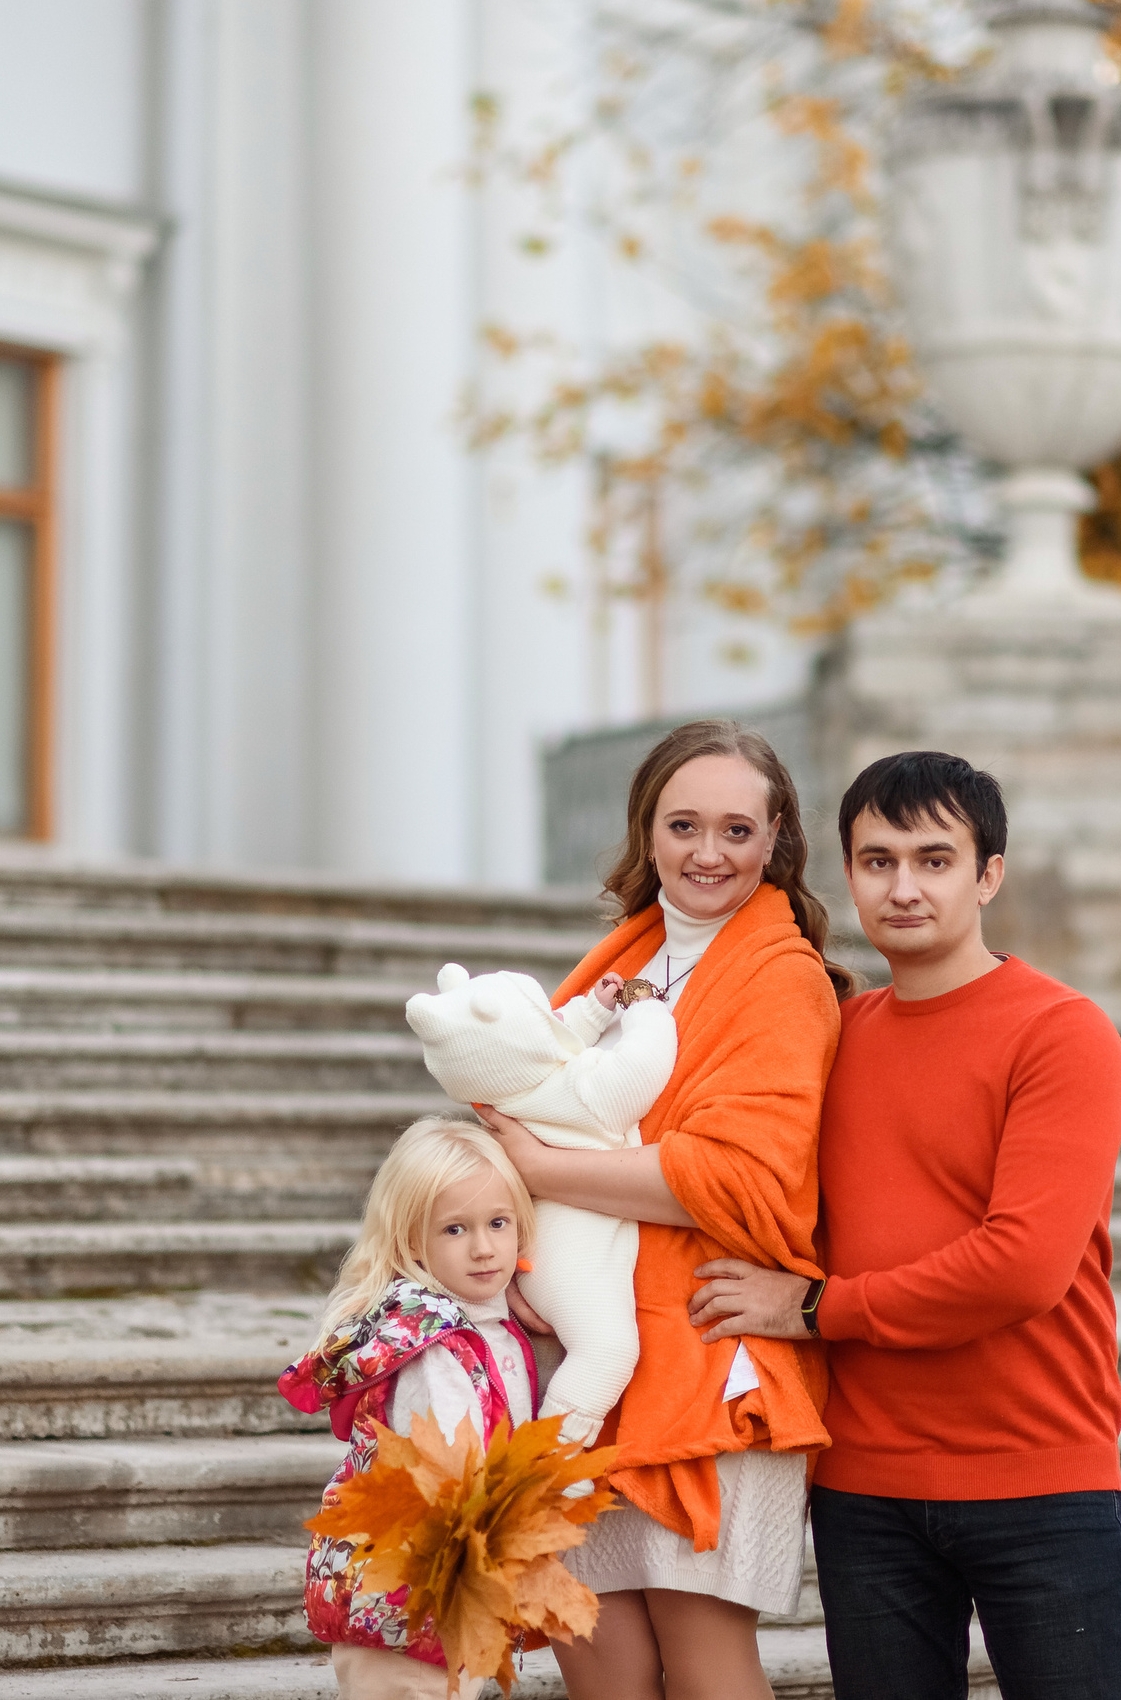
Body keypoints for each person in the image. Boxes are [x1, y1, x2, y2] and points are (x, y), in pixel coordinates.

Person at [687, 750, 1121, 1700]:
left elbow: (1022, 1266)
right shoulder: (834, 1033)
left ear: (989, 875)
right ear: (846, 873)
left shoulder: (1061, 1032)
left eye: (935, 860)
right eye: (877, 860)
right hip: (865, 1490)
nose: (903, 886)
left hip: (1040, 1480)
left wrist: (814, 1309)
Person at [480, 719, 851, 1700]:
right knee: (592, 1652)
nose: (708, 851)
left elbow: (737, 1176)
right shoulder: (626, 957)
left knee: (702, 1662)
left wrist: (539, 1166)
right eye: (683, 824)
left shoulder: (784, 980)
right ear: (647, 830)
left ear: (774, 838)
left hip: (709, 1358)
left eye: (737, 828)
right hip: (590, 1361)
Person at [277, 1115, 543, 1700]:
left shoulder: (491, 1325)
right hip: (409, 1595)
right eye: (454, 1229)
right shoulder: (430, 1346)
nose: (482, 1247)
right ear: (409, 1240)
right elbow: (451, 1465)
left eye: (498, 1223)